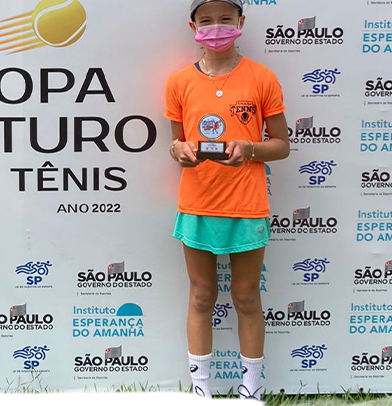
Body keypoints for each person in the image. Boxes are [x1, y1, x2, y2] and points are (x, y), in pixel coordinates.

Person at [163, 0, 290, 400]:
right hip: (197, 204)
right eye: (206, 20)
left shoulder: (262, 78)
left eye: (225, 19)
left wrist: (249, 149)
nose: (215, 28)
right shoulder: (178, 82)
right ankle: (201, 391)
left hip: (247, 206)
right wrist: (179, 150)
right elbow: (175, 143)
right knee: (202, 295)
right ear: (193, 26)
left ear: (240, 22)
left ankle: (251, 391)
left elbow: (282, 145)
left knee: (246, 296)